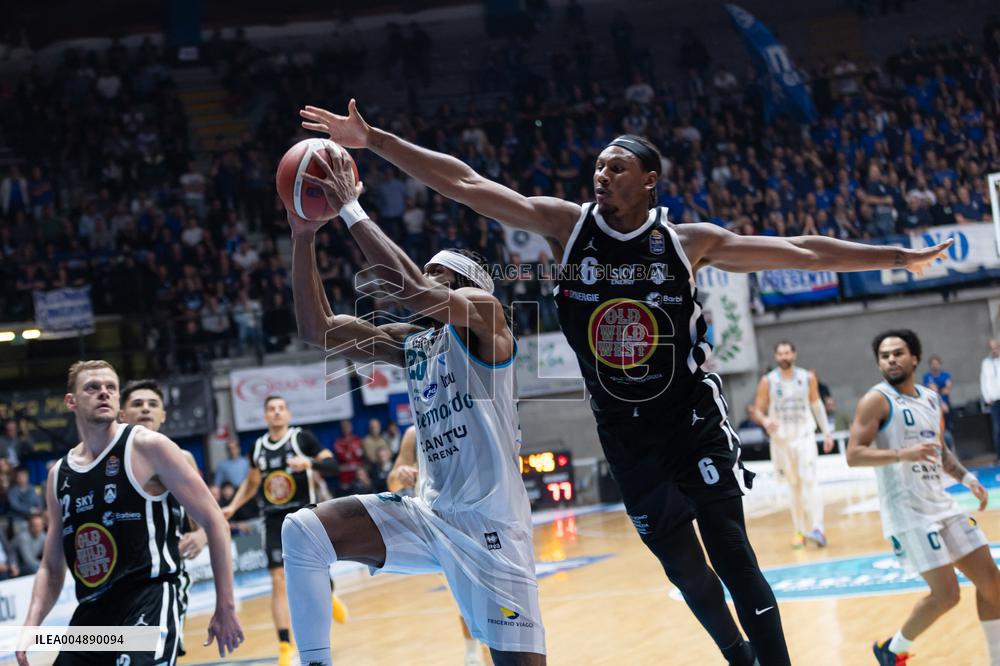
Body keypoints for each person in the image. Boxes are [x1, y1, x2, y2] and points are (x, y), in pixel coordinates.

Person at [297, 100, 950, 665]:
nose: (601, 174)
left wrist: (898, 256)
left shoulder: (686, 242)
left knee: (734, 559)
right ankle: (738, 654)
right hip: (627, 439)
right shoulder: (566, 227)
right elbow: (466, 183)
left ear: (650, 181)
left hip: (692, 422)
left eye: (617, 167)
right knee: (687, 573)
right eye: (599, 165)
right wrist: (375, 140)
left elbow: (804, 251)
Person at [280, 152, 545, 666]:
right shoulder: (413, 344)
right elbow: (319, 330)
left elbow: (413, 291)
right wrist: (303, 235)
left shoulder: (488, 321)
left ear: (465, 287)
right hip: (430, 517)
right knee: (305, 531)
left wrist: (352, 209)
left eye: (437, 274)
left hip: (492, 530)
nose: (423, 276)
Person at [17, 360, 242, 666]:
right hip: (92, 611)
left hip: (148, 598)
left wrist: (225, 606)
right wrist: (32, 624)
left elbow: (214, 520)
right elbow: (51, 566)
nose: (104, 393)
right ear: (71, 401)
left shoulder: (148, 447)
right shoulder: (59, 474)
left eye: (111, 387)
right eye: (93, 388)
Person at [846, 330, 1000, 665]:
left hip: (942, 503)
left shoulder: (930, 398)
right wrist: (903, 453)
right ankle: (893, 649)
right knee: (947, 595)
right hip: (908, 511)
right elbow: (853, 454)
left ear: (914, 358)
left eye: (898, 353)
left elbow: (938, 449)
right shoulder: (876, 400)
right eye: (884, 356)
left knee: (992, 582)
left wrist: (967, 478)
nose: (891, 360)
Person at [221, 396, 348, 666]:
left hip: (304, 516)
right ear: (265, 416)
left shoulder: (302, 439)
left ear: (288, 414)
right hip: (273, 521)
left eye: (281, 408)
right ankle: (284, 645)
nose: (276, 413)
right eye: (271, 409)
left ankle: (330, 591)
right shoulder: (257, 448)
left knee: (317, 572)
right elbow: (251, 483)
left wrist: (310, 464)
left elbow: (334, 466)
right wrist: (232, 506)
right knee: (278, 579)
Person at [119, 378, 208, 657]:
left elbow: (208, 520)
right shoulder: (104, 462)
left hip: (162, 582)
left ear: (163, 415)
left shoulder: (182, 458)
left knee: (148, 656)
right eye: (137, 404)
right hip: (115, 583)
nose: (145, 409)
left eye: (152, 404)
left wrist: (201, 534)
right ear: (122, 413)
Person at [388, 426, 488, 666]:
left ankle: (485, 650)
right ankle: (473, 654)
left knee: (485, 597)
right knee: (466, 596)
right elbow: (391, 482)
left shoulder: (469, 421)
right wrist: (401, 473)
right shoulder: (414, 434)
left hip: (475, 519)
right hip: (437, 527)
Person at [749, 341, 833, 549]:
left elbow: (816, 404)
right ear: (776, 357)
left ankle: (818, 529)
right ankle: (798, 531)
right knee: (793, 486)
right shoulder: (767, 381)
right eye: (780, 354)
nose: (784, 356)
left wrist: (827, 433)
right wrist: (765, 421)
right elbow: (757, 410)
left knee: (810, 480)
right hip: (781, 440)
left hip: (804, 436)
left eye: (787, 352)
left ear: (794, 354)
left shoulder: (807, 378)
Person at [981, 339, 1000, 460]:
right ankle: (999, 455)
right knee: (997, 429)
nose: (994, 349)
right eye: (991, 347)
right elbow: (984, 381)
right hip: (994, 401)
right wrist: (987, 397)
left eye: (996, 347)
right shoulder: (986, 363)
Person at [13, 510, 45, 575]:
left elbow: (48, 555)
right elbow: (28, 560)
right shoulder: (23, 538)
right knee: (36, 568)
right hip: (17, 566)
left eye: (39, 526)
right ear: (29, 526)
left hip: (33, 564)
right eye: (35, 526)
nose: (37, 528)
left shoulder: (43, 536)